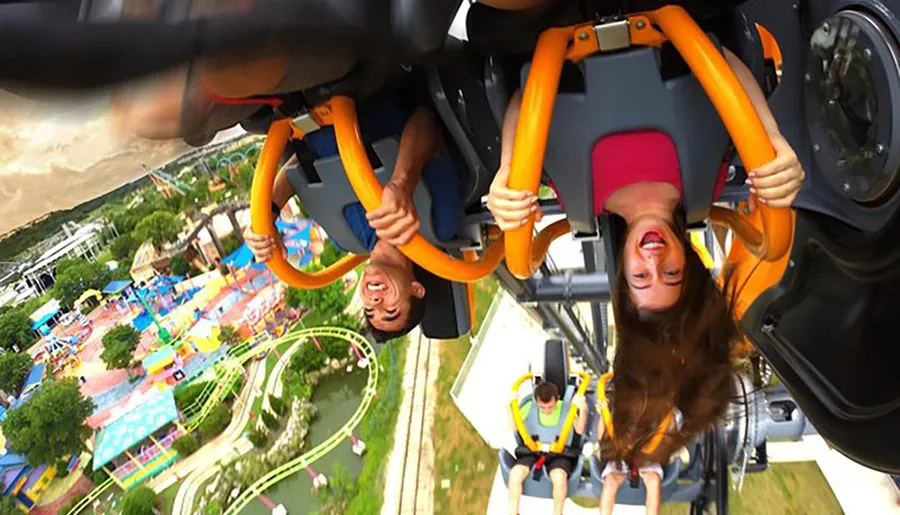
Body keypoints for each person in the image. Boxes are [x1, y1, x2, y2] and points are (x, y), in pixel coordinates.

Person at [243, 88, 465, 341]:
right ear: (416, 289)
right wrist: (402, 183)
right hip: (363, 87)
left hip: (294, 105)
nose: (374, 301)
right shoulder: (437, 224)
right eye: (390, 310)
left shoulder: (346, 238)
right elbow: (426, 121)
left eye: (369, 309)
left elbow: (304, 166)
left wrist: (267, 215)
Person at [507, 382, 588, 515]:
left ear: (557, 399)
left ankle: (558, 513)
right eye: (542, 407)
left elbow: (579, 430)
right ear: (536, 401)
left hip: (559, 453)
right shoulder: (529, 407)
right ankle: (513, 512)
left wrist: (583, 409)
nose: (546, 410)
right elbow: (514, 427)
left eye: (550, 407)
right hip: (532, 450)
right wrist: (508, 407)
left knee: (559, 477)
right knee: (515, 473)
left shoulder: (568, 409)